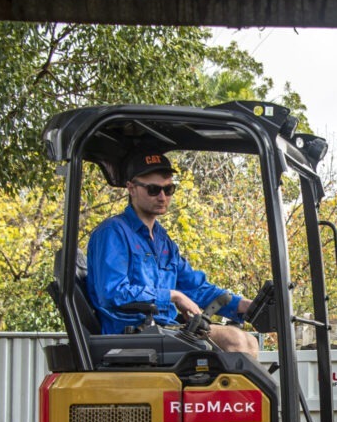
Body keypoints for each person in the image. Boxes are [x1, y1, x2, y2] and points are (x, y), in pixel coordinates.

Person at [86, 144, 258, 356]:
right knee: (236, 341)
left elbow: (196, 288)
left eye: (168, 190)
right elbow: (112, 293)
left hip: (163, 329)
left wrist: (245, 305)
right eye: (153, 190)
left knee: (249, 341)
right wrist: (172, 296)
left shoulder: (163, 241)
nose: (162, 197)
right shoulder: (113, 233)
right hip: (130, 334)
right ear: (131, 188)